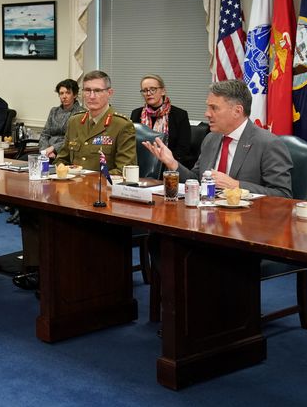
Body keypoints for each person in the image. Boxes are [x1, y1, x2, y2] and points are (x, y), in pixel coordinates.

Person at [14, 70, 137, 291]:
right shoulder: (75, 122)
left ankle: (66, 278)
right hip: (68, 191)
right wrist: (63, 169)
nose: (92, 96)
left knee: (64, 221)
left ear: (110, 93)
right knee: (30, 210)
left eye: (98, 91)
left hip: (99, 196)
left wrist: (83, 176)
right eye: (88, 90)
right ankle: (37, 270)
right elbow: (61, 160)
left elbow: (124, 170)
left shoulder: (121, 125)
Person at [142, 79, 292, 198]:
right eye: (208, 107)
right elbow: (197, 179)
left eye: (214, 108)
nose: (206, 114)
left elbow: (283, 195)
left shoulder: (268, 144)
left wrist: (236, 185)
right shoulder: (211, 138)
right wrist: (173, 163)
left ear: (237, 111)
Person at [130, 74, 190, 160]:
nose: (148, 93)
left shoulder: (179, 115)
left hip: (168, 165)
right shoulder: (136, 114)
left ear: (163, 91)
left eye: (153, 89)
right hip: (141, 162)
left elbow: (183, 149)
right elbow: (131, 144)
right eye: (144, 90)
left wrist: (165, 162)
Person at [38, 78, 85, 158]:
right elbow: (44, 134)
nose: (64, 96)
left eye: (68, 93)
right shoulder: (54, 111)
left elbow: (73, 139)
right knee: (23, 161)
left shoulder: (81, 113)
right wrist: (45, 151)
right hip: (47, 152)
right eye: (61, 93)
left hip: (66, 153)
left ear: (75, 95)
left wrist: (53, 149)